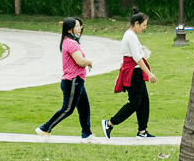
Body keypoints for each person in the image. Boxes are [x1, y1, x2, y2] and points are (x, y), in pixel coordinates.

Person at [36, 17, 95, 140]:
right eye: (77, 26)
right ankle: (45, 128)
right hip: (73, 81)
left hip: (77, 81)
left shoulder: (69, 41)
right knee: (68, 109)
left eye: (80, 26)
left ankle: (87, 134)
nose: (80, 28)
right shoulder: (71, 43)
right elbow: (80, 61)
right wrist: (89, 61)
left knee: (84, 107)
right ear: (69, 29)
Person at [103, 10, 156, 139]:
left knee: (144, 102)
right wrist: (149, 73)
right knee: (134, 103)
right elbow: (137, 57)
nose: (144, 28)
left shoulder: (131, 35)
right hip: (133, 73)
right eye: (143, 25)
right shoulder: (130, 35)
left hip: (135, 71)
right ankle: (110, 123)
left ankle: (142, 131)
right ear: (136, 23)